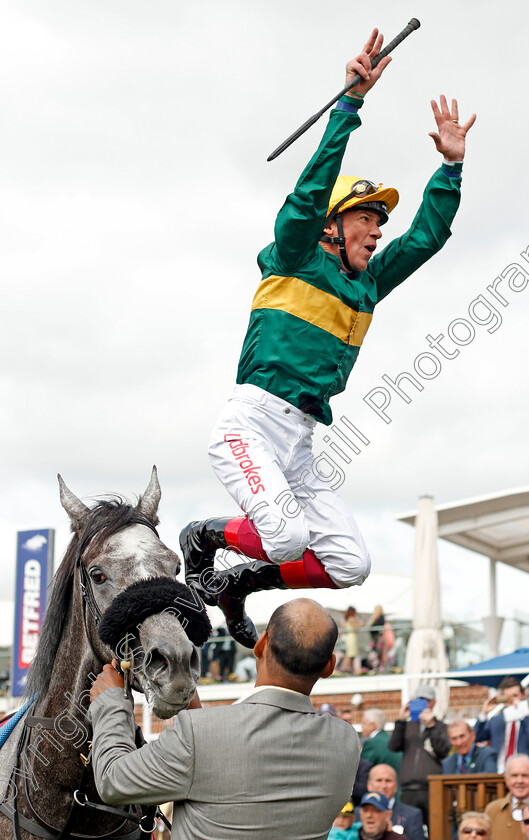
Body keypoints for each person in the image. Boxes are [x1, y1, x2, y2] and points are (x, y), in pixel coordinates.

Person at [179, 28, 475, 647]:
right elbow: (312, 191)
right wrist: (349, 105)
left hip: (302, 442)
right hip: (251, 425)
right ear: (330, 231)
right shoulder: (294, 252)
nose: (377, 232)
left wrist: (451, 165)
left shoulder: (368, 284)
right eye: (366, 221)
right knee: (286, 537)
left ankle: (239, 585)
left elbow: (426, 238)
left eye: (377, 223)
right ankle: (205, 537)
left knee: (351, 564)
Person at [89, 599, 360, 840]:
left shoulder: (199, 734)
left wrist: (112, 702)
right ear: (329, 666)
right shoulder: (346, 742)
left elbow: (113, 780)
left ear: (261, 644)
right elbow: (238, 777)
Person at [388, 684, 450, 826]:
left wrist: (431, 726)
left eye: (426, 700)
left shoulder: (440, 726)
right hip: (408, 789)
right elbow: (393, 746)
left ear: (433, 702)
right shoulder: (408, 726)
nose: (423, 704)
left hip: (431, 788)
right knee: (408, 828)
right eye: (419, 700)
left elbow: (443, 751)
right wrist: (401, 720)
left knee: (434, 827)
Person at [475, 677, 529, 772]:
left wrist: (523, 714)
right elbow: (476, 737)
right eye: (507, 698)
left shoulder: (526, 719)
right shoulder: (496, 720)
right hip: (499, 771)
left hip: (523, 772)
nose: (511, 701)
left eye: (515, 696)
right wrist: (484, 713)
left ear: (523, 695)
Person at [367, 764, 426, 840]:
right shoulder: (358, 813)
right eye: (379, 780)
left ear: (395, 786)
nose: (383, 786)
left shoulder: (412, 815)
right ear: (369, 785)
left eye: (388, 781)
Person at [484, 753, 529, 839]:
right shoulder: (492, 810)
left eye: (525, 775)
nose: (519, 781)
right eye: (514, 775)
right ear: (506, 779)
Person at [361, 709, 401, 774]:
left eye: (364, 723)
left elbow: (363, 770)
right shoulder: (392, 740)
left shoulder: (371, 743)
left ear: (372, 725)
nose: (362, 726)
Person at [340, 607, 363, 674]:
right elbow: (356, 626)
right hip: (351, 638)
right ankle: (343, 669)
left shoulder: (346, 619)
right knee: (350, 655)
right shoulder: (351, 618)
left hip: (349, 637)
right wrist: (360, 623)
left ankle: (350, 670)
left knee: (351, 655)